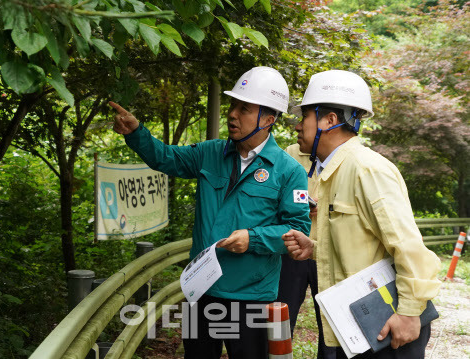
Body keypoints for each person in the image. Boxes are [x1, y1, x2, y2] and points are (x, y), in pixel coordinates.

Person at [110, 66, 311, 359]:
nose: (232, 114)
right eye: (233, 105)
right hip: (200, 290)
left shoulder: (289, 171)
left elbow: (297, 230)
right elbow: (165, 158)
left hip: (251, 296)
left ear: (268, 119)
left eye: (244, 108)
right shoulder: (210, 153)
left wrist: (252, 238)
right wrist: (136, 133)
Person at [282, 70, 441, 359]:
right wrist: (315, 249)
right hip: (356, 325)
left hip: (388, 327)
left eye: (304, 116)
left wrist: (408, 313)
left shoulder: (367, 170)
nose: (297, 125)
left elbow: (408, 248)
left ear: (329, 120)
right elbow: (362, 247)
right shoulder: (333, 171)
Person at [277, 143, 336, 359]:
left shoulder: (346, 157)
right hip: (293, 247)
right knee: (282, 313)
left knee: (331, 322)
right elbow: (279, 189)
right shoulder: (292, 153)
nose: (300, 127)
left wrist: (330, 204)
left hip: (329, 250)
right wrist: (304, 203)